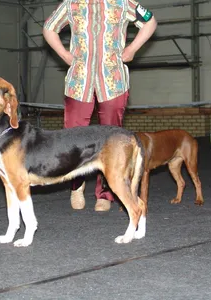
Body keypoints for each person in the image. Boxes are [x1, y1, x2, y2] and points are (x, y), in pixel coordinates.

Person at [43, 0, 157, 211]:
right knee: (73, 134)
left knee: (112, 138)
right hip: (79, 80)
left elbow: (150, 22)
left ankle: (105, 193)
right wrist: (64, 54)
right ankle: (76, 186)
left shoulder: (123, 3)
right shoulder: (71, 3)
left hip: (113, 80)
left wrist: (132, 48)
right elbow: (49, 28)